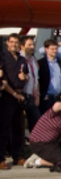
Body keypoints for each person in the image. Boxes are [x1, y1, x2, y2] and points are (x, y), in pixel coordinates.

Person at [0, 33, 29, 169]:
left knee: (19, 128)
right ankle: (1, 159)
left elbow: (27, 76)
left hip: (20, 95)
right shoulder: (3, 57)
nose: (14, 45)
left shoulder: (22, 59)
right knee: (4, 128)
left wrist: (25, 77)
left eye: (16, 43)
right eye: (11, 42)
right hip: (7, 95)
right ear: (7, 43)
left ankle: (18, 156)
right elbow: (2, 80)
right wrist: (13, 94)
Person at [20, 35, 41, 132]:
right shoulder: (19, 59)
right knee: (20, 124)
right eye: (29, 45)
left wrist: (37, 95)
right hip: (22, 95)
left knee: (36, 122)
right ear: (22, 46)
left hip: (32, 96)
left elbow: (36, 79)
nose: (32, 47)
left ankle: (35, 144)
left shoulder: (33, 59)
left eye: (33, 45)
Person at [38, 38, 61, 113]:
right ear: (46, 49)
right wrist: (43, 95)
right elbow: (39, 80)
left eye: (56, 49)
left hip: (58, 97)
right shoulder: (41, 63)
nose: (55, 51)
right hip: (47, 97)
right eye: (52, 49)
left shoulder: (59, 62)